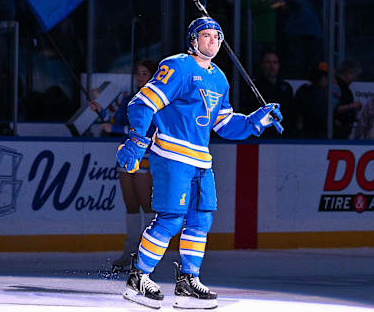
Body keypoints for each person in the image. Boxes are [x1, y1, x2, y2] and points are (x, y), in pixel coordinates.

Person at [116, 17, 282, 309]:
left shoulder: (219, 78)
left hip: (201, 160)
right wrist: (137, 140)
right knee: (171, 219)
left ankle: (188, 281)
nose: (213, 41)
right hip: (172, 155)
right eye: (206, 36)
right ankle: (138, 276)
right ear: (193, 40)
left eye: (217, 36)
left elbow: (224, 123)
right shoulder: (177, 66)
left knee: (201, 220)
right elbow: (142, 103)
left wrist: (257, 120)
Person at [89, 59, 158, 269]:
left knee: (146, 205)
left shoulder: (156, 102)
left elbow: (149, 131)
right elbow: (115, 122)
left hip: (143, 156)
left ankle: (145, 253)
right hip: (126, 156)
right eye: (138, 73)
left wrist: (118, 131)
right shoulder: (130, 99)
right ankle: (129, 252)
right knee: (130, 206)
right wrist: (100, 111)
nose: (140, 77)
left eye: (145, 73)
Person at [241, 49, 295, 138]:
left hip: (284, 137)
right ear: (262, 65)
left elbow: (291, 114)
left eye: (275, 62)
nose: (272, 66)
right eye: (268, 62)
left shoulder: (286, 87)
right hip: (260, 136)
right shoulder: (254, 87)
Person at [294, 62, 329, 139]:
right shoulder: (319, 93)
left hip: (306, 134)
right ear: (323, 77)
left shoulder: (303, 89)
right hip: (314, 135)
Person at [333, 59, 363, 139]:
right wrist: (352, 106)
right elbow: (332, 109)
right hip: (336, 132)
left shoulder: (345, 88)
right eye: (354, 75)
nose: (355, 78)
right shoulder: (336, 86)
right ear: (348, 73)